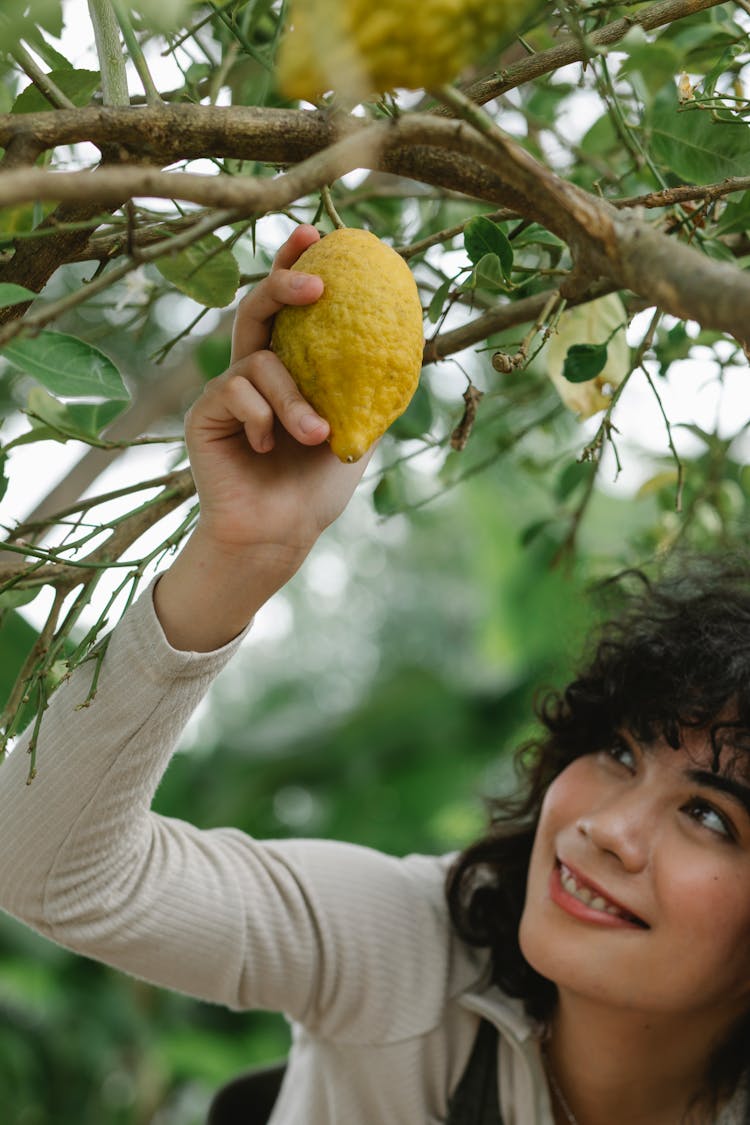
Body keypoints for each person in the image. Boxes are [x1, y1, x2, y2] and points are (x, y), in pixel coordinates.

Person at [0, 223, 749, 1125]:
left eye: (710, 815)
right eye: (620, 753)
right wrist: (241, 554)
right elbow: (45, 869)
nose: (609, 830)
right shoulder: (410, 948)